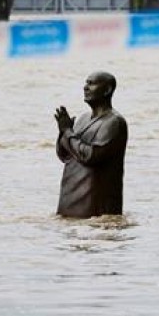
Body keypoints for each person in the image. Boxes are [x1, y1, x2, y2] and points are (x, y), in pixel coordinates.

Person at [54, 71, 128, 218]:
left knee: (95, 239)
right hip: (70, 205)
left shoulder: (113, 122)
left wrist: (68, 132)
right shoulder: (83, 119)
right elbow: (65, 155)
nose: (85, 87)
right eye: (86, 83)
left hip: (94, 211)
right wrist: (63, 132)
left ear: (107, 90)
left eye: (91, 83)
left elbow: (90, 156)